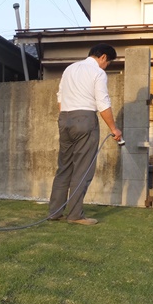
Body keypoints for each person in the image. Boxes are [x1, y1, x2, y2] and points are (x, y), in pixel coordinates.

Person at [48, 43, 122, 225]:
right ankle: (75, 215)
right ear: (103, 57)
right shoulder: (97, 73)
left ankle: (55, 212)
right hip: (85, 119)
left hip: (64, 118)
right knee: (83, 169)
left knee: (64, 167)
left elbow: (60, 97)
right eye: (108, 62)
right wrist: (114, 129)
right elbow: (103, 104)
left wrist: (69, 116)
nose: (107, 66)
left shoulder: (70, 69)